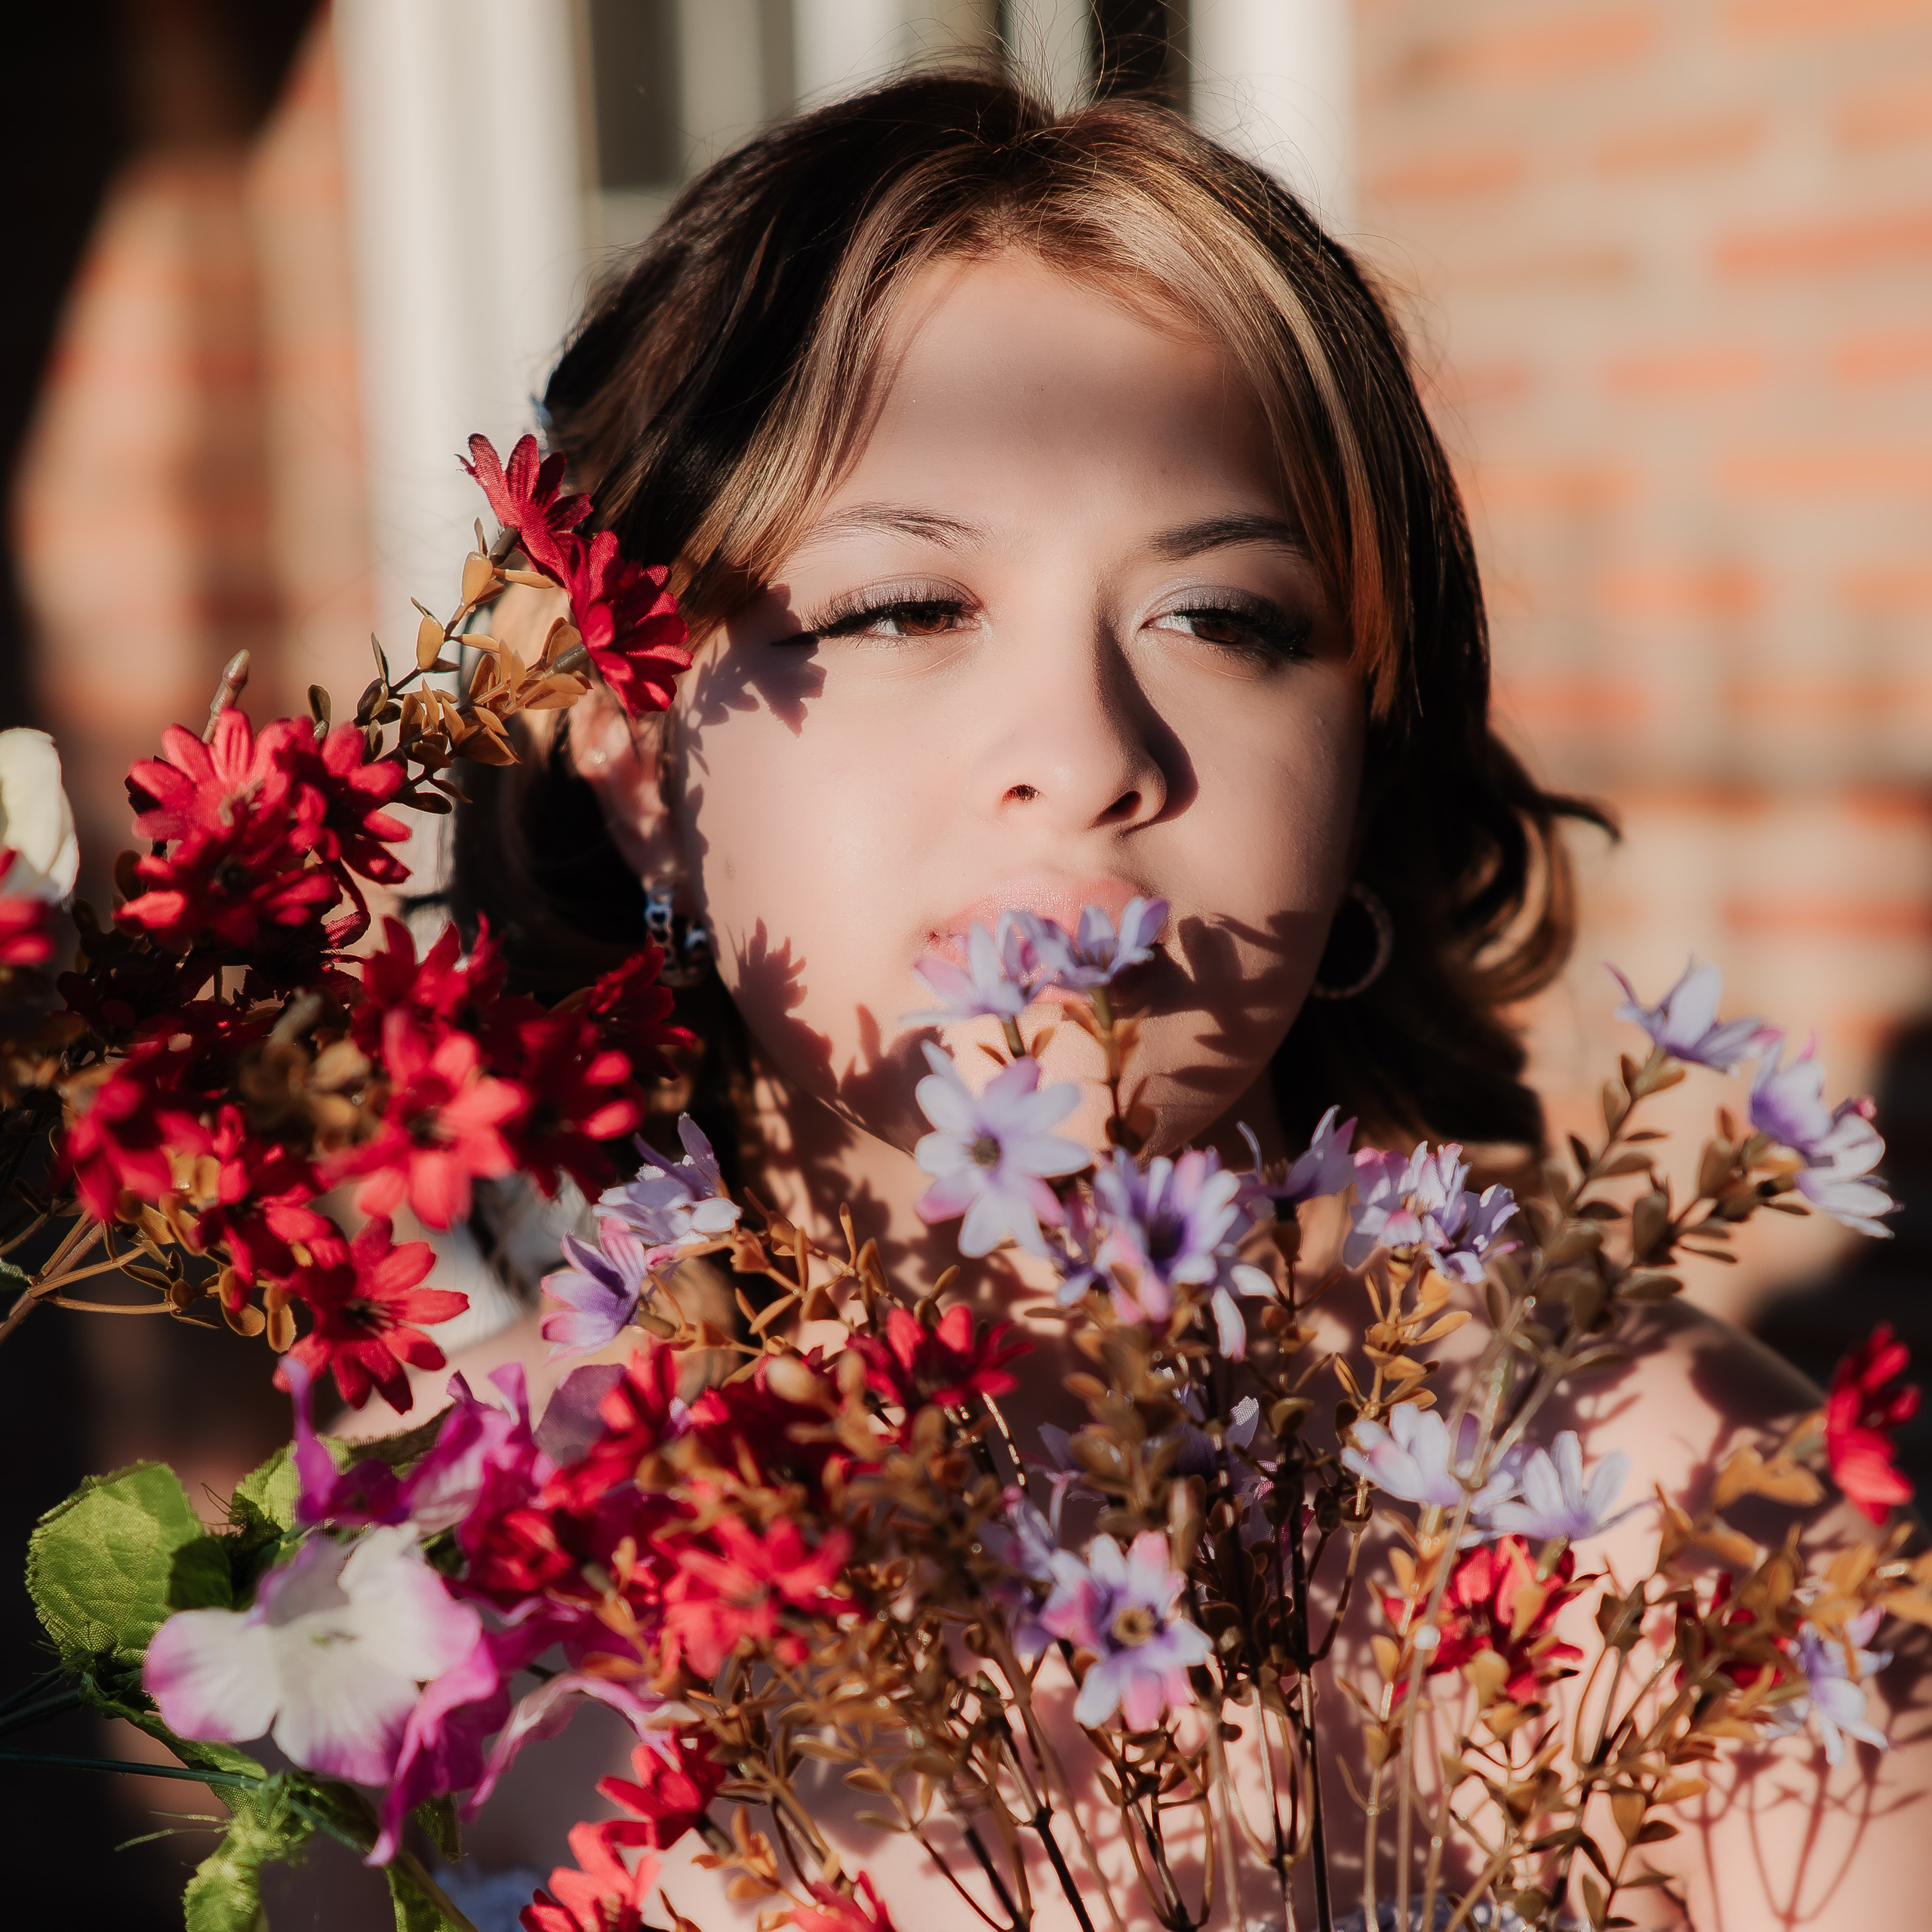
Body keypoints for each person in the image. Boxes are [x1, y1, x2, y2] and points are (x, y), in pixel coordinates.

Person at [417, 72, 1929, 1930]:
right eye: (903, 605)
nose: (1083, 751)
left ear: (1359, 763)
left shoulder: (1676, 1517)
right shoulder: (432, 1603)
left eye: (1225, 620)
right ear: (639, 755)